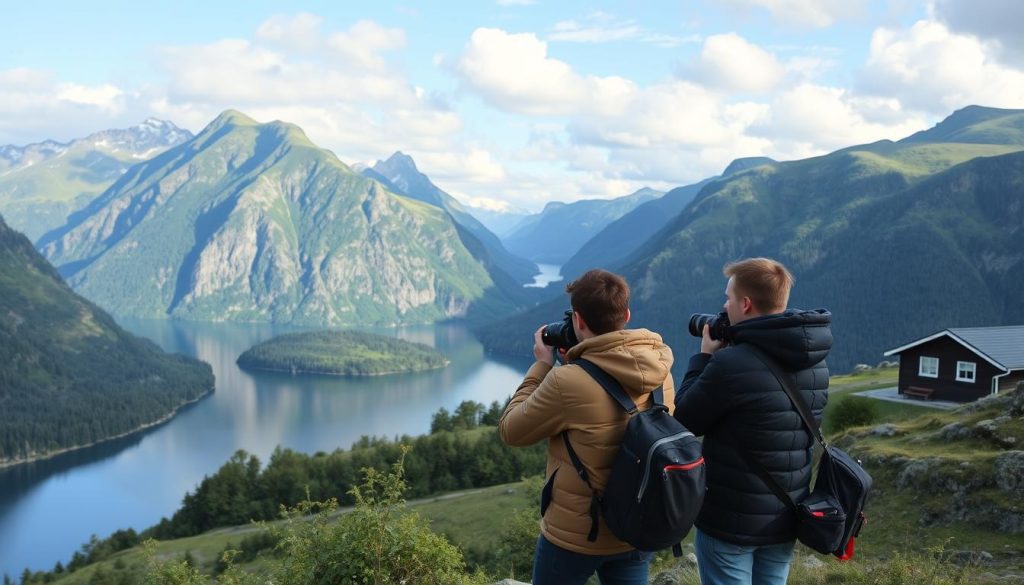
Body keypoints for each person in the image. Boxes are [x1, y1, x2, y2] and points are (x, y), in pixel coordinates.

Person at [499, 269, 675, 585]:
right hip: (637, 526)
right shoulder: (660, 371)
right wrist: (579, 365)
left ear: (578, 321)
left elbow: (511, 431)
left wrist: (542, 365)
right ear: (626, 314)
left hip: (575, 536)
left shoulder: (567, 382)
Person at [674, 258, 832, 585]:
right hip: (787, 511)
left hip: (731, 519)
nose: (723, 304)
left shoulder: (731, 363)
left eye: (729, 297)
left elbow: (686, 418)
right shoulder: (815, 363)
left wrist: (704, 357)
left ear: (745, 304)